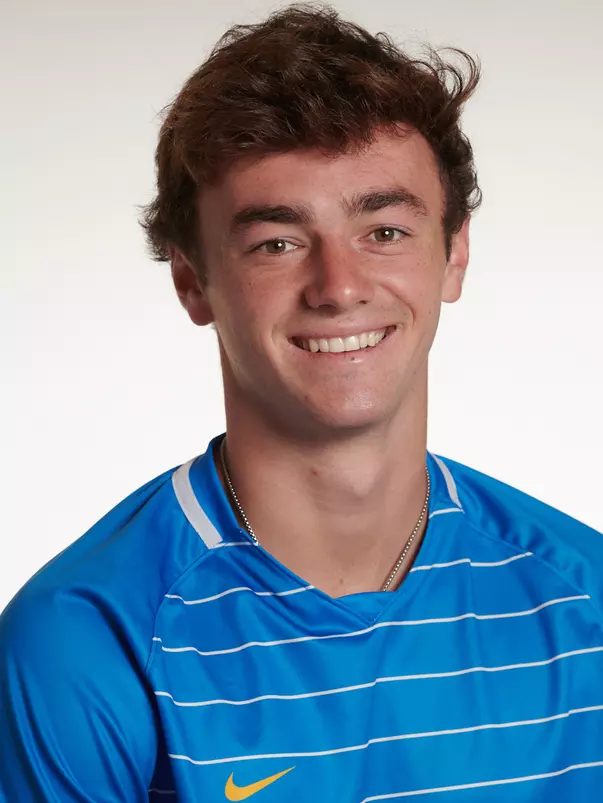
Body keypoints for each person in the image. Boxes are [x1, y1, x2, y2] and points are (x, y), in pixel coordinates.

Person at [1, 4, 602, 801]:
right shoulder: (85, 641)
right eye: (275, 243)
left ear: (453, 255)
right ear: (192, 282)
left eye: (383, 230)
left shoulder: (585, 597)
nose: (339, 286)